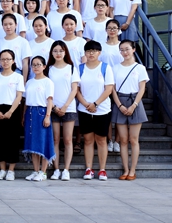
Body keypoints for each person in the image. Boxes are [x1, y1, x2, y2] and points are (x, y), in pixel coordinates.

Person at [76, 40, 114, 181]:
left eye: (94, 51)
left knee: (101, 139)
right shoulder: (80, 68)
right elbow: (76, 90)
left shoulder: (105, 68)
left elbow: (108, 89)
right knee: (87, 139)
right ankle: (89, 168)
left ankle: (102, 170)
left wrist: (96, 104)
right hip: (84, 109)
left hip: (102, 109)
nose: (91, 53)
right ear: (85, 53)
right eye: (88, 51)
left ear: (99, 53)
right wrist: (87, 104)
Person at [112, 40, 149, 180]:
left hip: (135, 102)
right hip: (120, 101)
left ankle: (132, 170)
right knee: (123, 139)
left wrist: (134, 105)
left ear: (133, 49)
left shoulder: (140, 68)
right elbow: (112, 89)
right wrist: (120, 105)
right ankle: (125, 169)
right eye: (121, 50)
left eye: (127, 49)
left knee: (133, 139)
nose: (124, 52)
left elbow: (142, 88)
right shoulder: (115, 68)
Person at [46, 41, 80, 181]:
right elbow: (46, 90)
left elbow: (74, 89)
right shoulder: (48, 69)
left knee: (67, 139)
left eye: (61, 50)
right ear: (51, 53)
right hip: (53, 108)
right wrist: (54, 107)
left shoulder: (71, 68)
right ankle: (56, 169)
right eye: (55, 51)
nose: (58, 53)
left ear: (65, 52)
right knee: (55, 139)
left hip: (69, 108)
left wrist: (65, 106)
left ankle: (66, 169)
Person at [0, 50, 24, 181]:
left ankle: (11, 170)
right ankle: (2, 169)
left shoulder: (18, 77)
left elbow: (19, 96)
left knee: (13, 140)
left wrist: (10, 111)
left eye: (8, 59)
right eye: (3, 59)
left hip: (13, 110)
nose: (5, 62)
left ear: (13, 61)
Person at [23, 56, 55, 182]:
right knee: (32, 143)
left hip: (41, 112)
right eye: (34, 65)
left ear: (44, 66)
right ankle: (35, 170)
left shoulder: (48, 82)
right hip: (30, 112)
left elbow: (50, 100)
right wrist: (23, 115)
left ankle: (43, 171)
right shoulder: (29, 82)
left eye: (38, 64)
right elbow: (26, 101)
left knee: (43, 142)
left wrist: (47, 116)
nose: (36, 67)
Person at [0, 14, 32, 80]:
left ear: (16, 25)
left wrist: (24, 80)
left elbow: (25, 63)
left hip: (17, 72)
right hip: (2, 72)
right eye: (5, 24)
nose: (8, 27)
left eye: (11, 24)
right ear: (2, 26)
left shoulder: (23, 41)